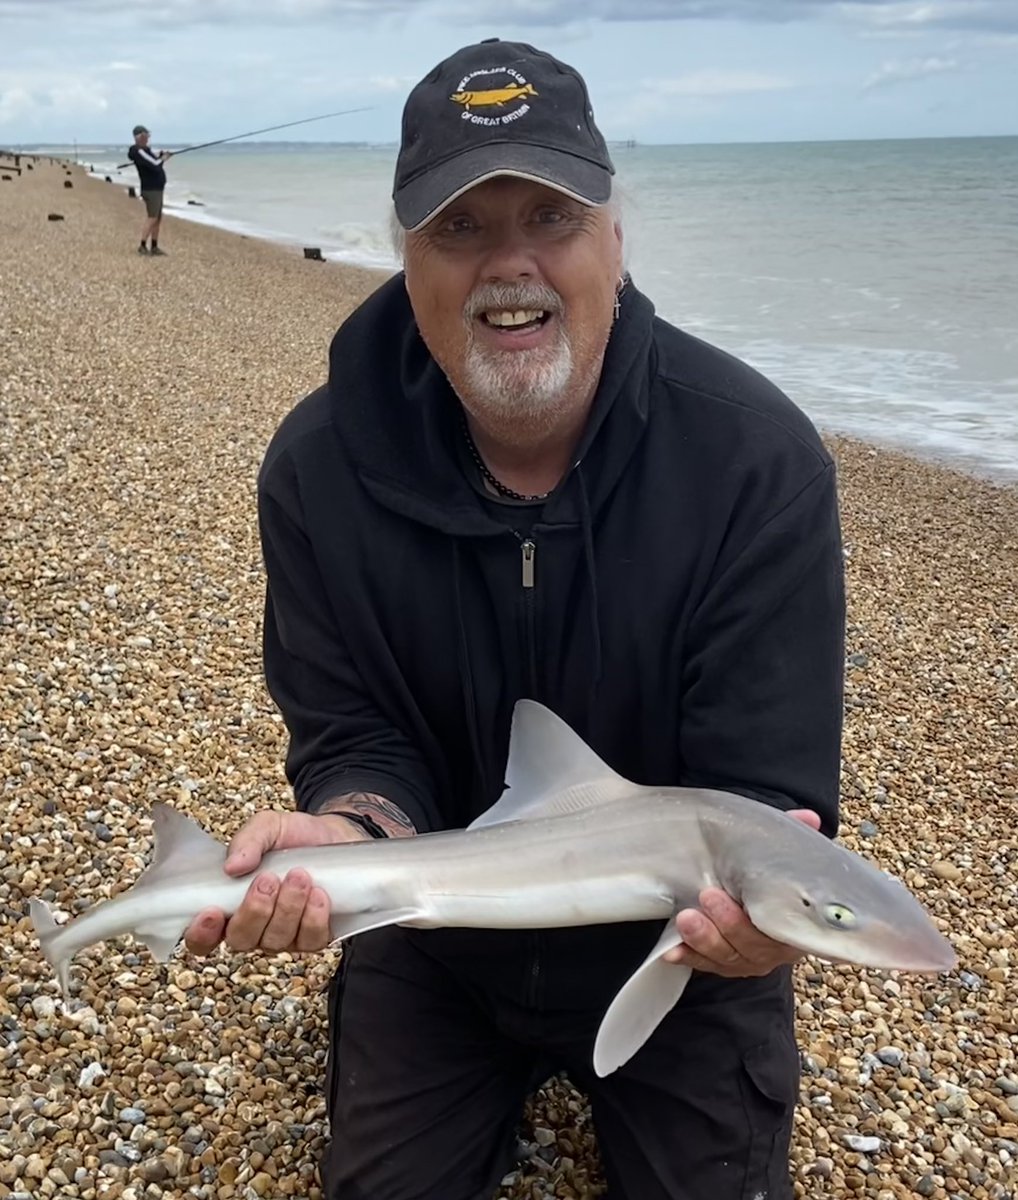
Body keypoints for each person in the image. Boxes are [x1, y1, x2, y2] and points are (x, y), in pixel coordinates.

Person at [185, 37, 846, 1200]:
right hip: (435, 934)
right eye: (460, 230)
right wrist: (355, 833)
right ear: (406, 257)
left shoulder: (755, 463)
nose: (511, 267)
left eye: (549, 218)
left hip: (678, 953)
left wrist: (756, 918)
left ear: (615, 236)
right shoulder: (317, 471)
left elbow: (760, 784)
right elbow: (352, 730)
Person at [127, 124, 171, 255]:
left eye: (148, 136)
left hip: (157, 188)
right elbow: (155, 165)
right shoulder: (139, 151)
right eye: (146, 135)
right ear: (139, 136)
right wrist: (163, 159)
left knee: (158, 218)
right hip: (151, 189)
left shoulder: (144, 150)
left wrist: (161, 157)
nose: (147, 138)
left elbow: (154, 161)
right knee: (152, 217)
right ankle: (142, 245)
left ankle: (154, 246)